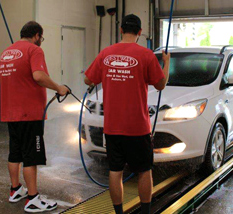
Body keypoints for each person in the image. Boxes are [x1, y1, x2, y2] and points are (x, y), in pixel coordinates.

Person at [84, 14, 170, 214]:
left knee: (115, 171)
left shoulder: (106, 54)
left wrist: (108, 76)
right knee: (143, 171)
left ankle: (119, 213)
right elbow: (161, 84)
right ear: (140, 32)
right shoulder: (146, 55)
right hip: (137, 127)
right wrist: (166, 62)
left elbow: (88, 80)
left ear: (121, 30)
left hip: (112, 127)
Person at [0, 21, 69, 213]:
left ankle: (15, 190)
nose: (40, 42)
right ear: (36, 35)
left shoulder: (6, 52)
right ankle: (33, 198)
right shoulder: (34, 50)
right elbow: (38, 76)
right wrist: (59, 87)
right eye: (41, 38)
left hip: (10, 113)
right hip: (29, 114)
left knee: (15, 152)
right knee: (31, 156)